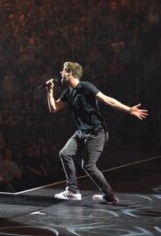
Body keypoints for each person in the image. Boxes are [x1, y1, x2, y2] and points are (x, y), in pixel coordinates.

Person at [46, 61, 148, 204]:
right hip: (82, 132)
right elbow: (54, 108)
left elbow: (107, 100)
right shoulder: (67, 93)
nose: (60, 74)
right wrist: (49, 91)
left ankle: (110, 197)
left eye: (63, 70)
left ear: (69, 73)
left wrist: (129, 110)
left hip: (97, 132)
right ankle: (73, 191)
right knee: (65, 153)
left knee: (87, 165)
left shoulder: (86, 86)